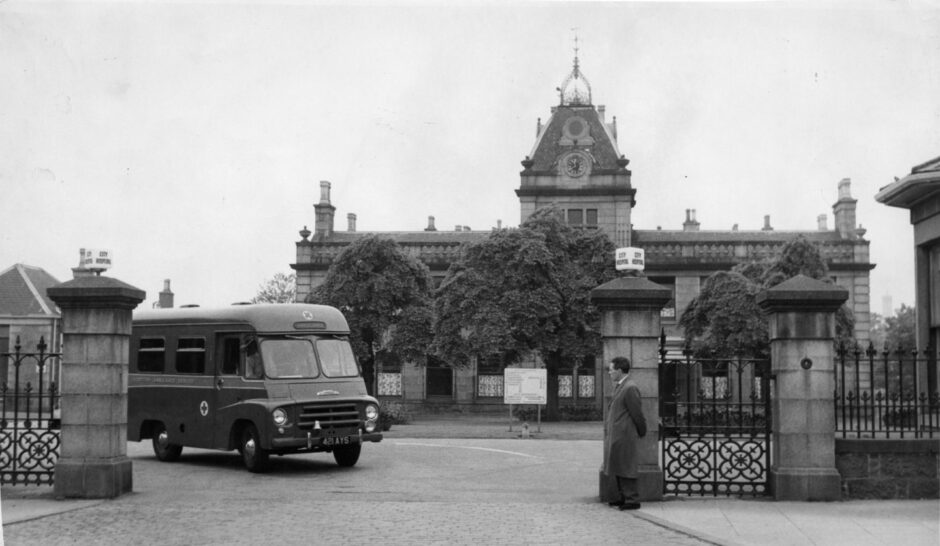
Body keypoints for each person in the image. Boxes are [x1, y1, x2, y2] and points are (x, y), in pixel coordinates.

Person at [603, 356, 647, 510]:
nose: (610, 373)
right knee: (619, 465)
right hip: (618, 434)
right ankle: (623, 497)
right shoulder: (622, 386)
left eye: (612, 370)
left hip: (625, 434)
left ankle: (632, 499)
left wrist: (642, 430)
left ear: (620, 371)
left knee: (626, 466)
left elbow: (637, 413)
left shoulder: (630, 387)